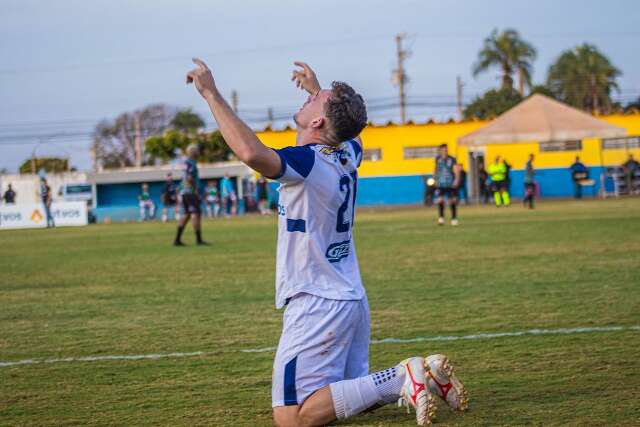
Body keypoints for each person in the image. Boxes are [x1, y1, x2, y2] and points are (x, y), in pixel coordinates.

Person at [187, 58, 468, 426]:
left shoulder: (307, 162)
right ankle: (426, 377)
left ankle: (405, 375)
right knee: (339, 398)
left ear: (319, 122)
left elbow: (251, 153)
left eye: (316, 101)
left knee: (293, 419)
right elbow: (349, 130)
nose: (309, 99)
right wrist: (319, 91)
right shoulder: (348, 154)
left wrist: (210, 93)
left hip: (316, 301)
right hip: (349, 295)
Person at [174, 144, 207, 246]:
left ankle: (177, 240)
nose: (198, 153)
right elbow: (189, 178)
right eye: (197, 151)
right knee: (196, 214)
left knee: (187, 214)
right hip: (190, 192)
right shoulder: (191, 163)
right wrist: (195, 190)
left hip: (184, 192)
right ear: (194, 152)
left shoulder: (186, 163)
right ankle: (199, 240)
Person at [434, 144, 461, 226]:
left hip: (450, 183)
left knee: (451, 200)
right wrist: (435, 178)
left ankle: (454, 218)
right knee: (440, 200)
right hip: (440, 183)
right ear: (440, 151)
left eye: (446, 150)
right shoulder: (437, 159)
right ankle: (441, 218)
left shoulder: (452, 159)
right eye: (443, 150)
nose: (445, 151)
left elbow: (456, 170)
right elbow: (436, 169)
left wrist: (456, 180)